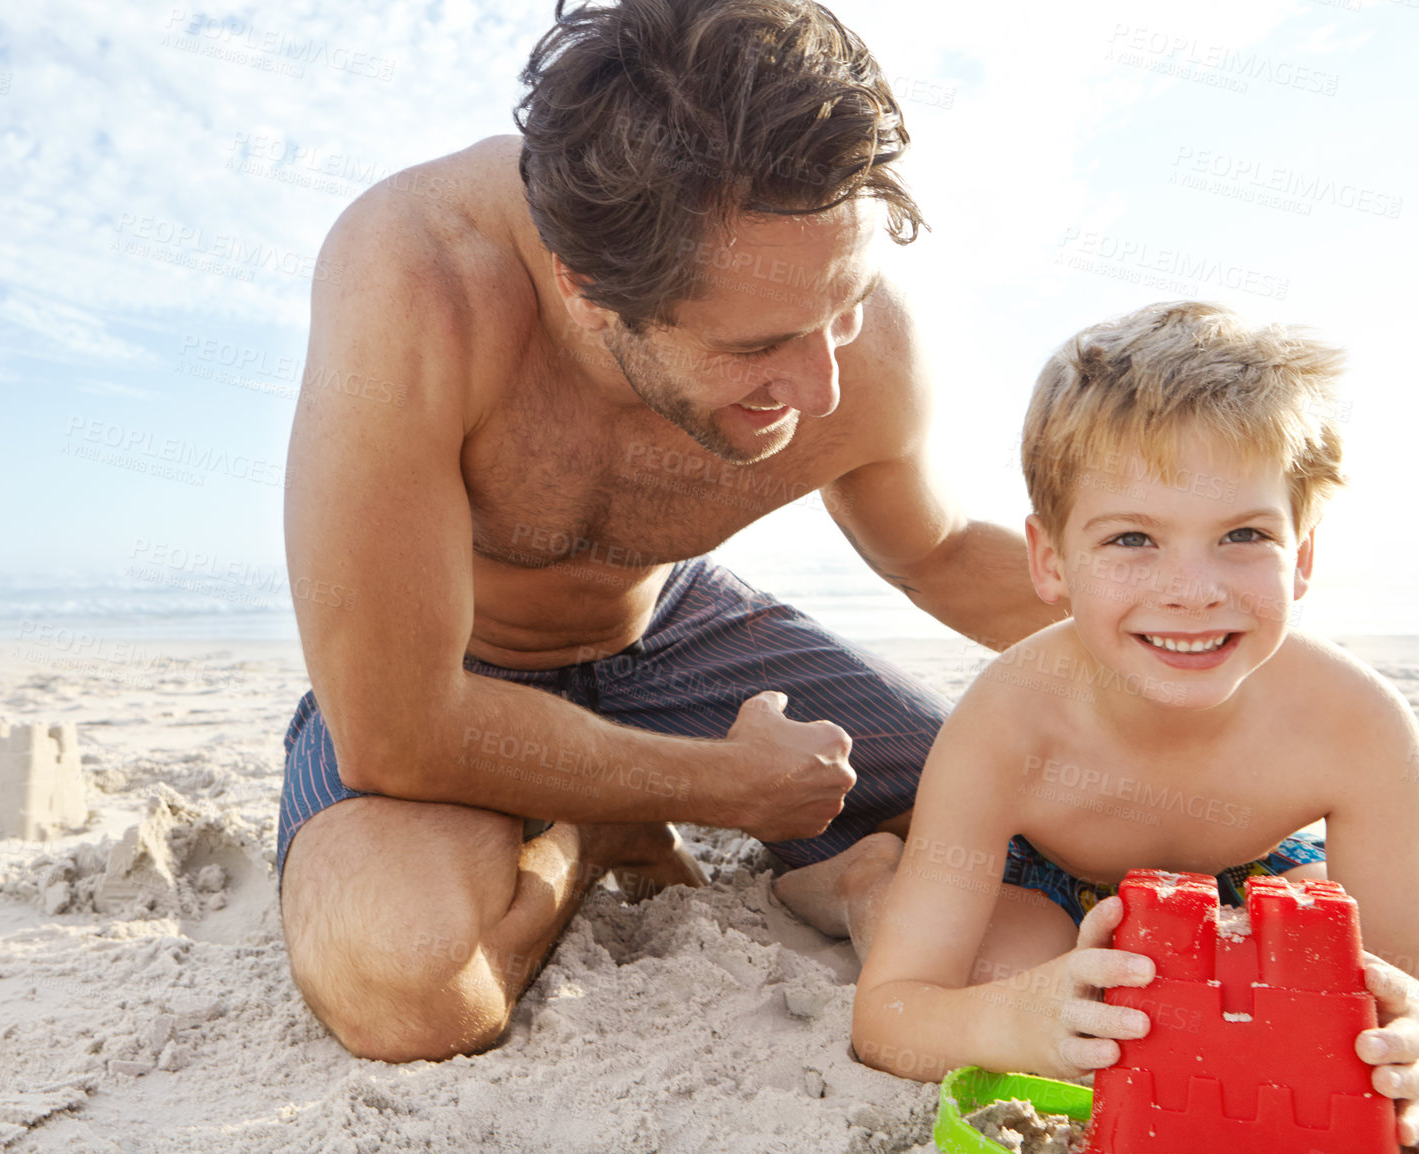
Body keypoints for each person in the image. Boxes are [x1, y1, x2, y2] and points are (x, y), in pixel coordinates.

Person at [274, 0, 1080, 1064]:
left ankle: (832, 872)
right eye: (762, 345)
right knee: (409, 984)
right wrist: (721, 787)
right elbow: (397, 729)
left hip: (678, 628)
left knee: (1050, 828)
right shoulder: (419, 280)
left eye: (846, 305)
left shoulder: (851, 338)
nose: (824, 381)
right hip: (453, 668)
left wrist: (1204, 636)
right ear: (585, 284)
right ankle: (591, 831)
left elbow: (932, 555)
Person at [822, 301, 1419, 1146]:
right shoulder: (1007, 721)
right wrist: (1011, 1023)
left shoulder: (1356, 723)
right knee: (1021, 966)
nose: (1192, 590)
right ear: (1050, 560)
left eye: (1243, 534)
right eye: (1134, 538)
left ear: (1306, 555)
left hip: (1257, 870)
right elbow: (889, 1016)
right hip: (1054, 879)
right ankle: (864, 882)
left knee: (1377, 974)